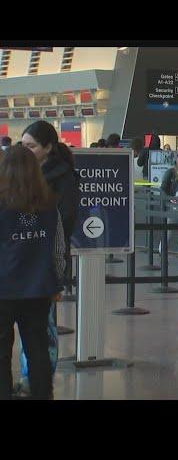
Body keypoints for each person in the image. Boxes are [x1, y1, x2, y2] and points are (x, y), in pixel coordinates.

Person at [0, 146, 66, 400]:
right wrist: (56, 282)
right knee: (37, 348)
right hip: (38, 290)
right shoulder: (49, 206)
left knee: (2, 353)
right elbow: (59, 248)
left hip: (3, 290)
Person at [19, 122, 80, 397]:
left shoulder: (63, 177)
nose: (26, 151)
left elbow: (64, 221)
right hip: (22, 260)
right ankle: (27, 375)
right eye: (23, 146)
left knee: (44, 325)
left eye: (31, 146)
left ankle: (38, 379)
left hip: (45, 261)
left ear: (47, 147)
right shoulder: (24, 174)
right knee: (27, 324)